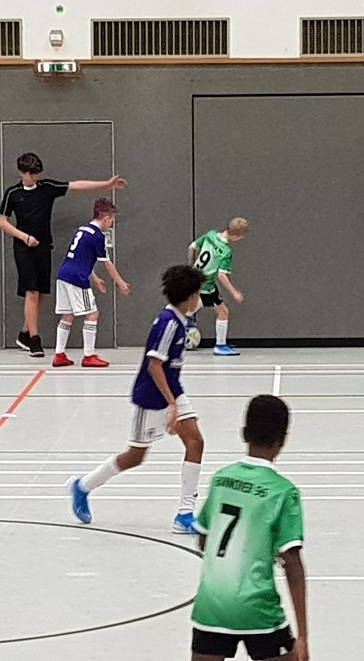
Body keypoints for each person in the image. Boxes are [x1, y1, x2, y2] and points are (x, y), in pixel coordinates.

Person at [169, 394, 309, 661]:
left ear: (243, 433)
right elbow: (293, 564)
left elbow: (203, 538)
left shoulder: (222, 479)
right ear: (283, 440)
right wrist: (303, 637)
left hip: (213, 604)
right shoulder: (283, 492)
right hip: (257, 608)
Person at [67, 264, 206, 534]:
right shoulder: (168, 324)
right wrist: (171, 405)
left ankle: (184, 515)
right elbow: (154, 366)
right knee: (135, 456)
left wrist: (175, 400)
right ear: (189, 297)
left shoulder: (180, 321)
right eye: (198, 294)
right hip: (152, 397)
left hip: (173, 391)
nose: (199, 299)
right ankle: (82, 486)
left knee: (195, 442)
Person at [0, 152, 126, 357]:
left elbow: (76, 185)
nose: (35, 178)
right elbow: (3, 222)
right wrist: (24, 237)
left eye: (37, 174)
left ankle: (24, 333)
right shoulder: (13, 193)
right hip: (23, 248)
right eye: (31, 174)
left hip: (43, 247)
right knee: (31, 292)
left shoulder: (47, 187)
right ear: (22, 173)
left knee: (41, 293)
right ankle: (35, 340)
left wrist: (106, 184)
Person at [52, 198, 130, 368]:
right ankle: (89, 355)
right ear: (106, 218)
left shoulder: (82, 230)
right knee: (92, 314)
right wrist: (120, 282)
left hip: (63, 275)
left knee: (68, 314)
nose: (111, 223)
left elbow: (81, 258)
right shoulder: (97, 236)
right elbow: (107, 263)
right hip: (77, 279)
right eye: (111, 220)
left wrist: (95, 278)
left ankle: (59, 354)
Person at [187, 217, 248, 356]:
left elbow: (192, 247)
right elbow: (221, 275)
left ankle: (187, 321)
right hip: (206, 286)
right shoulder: (226, 251)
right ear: (236, 236)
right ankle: (220, 345)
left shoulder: (211, 235)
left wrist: (190, 270)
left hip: (195, 280)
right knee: (223, 312)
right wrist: (234, 292)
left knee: (195, 308)